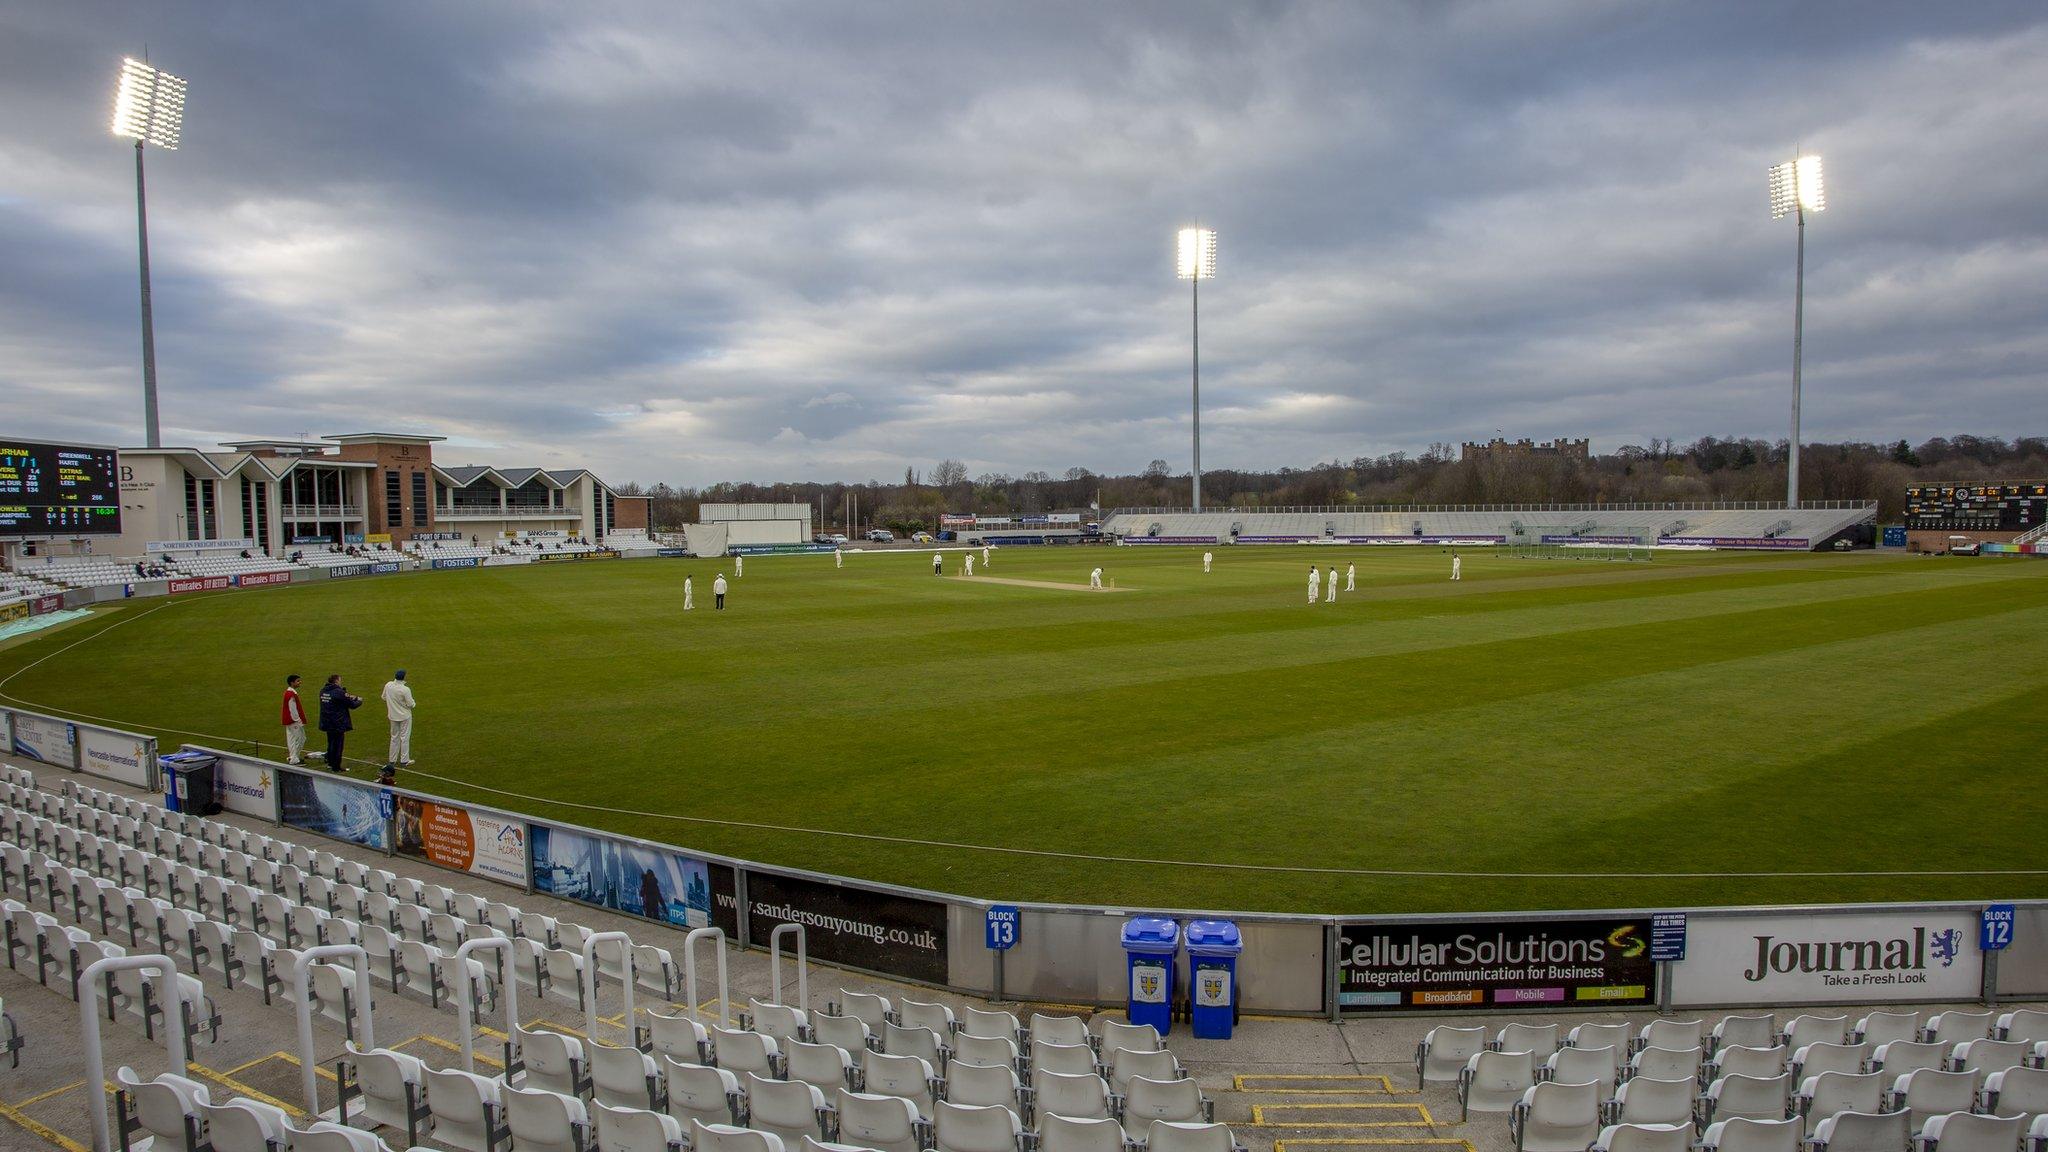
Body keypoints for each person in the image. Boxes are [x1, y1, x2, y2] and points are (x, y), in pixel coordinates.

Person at [317, 674, 362, 773]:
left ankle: (330, 763)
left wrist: (346, 695)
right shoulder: (338, 692)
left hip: (327, 722)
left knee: (331, 743)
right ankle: (336, 767)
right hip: (337, 723)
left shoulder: (323, 691)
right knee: (338, 745)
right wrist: (359, 701)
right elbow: (352, 705)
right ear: (336, 681)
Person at [382, 670, 416, 770]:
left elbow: (383, 697)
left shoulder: (388, 685)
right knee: (404, 737)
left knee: (394, 737)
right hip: (405, 716)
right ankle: (404, 760)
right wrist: (411, 704)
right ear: (404, 677)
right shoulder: (405, 689)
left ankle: (392, 760)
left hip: (392, 715)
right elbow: (410, 704)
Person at [280, 674, 307, 765]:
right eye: (298, 681)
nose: (300, 682)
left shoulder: (289, 693)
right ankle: (294, 759)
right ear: (292, 683)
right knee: (299, 739)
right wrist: (298, 720)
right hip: (293, 721)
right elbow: (293, 709)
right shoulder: (291, 694)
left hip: (290, 720)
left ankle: (293, 757)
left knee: (293, 739)